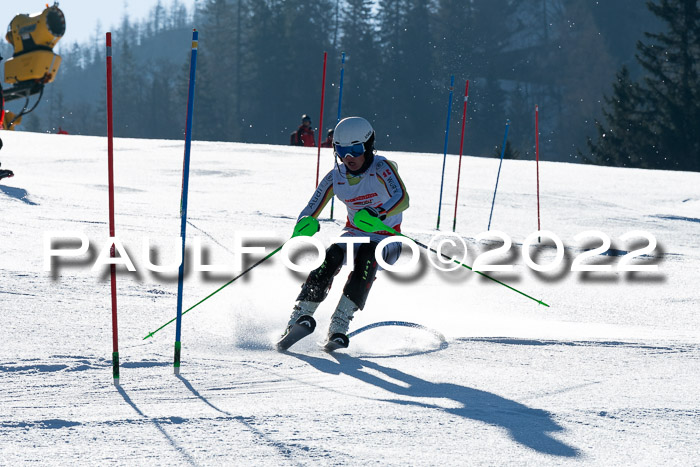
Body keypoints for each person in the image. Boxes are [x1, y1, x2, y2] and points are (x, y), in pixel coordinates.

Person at [278, 116, 410, 350]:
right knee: (332, 255)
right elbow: (311, 208)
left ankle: (339, 325)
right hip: (354, 233)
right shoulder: (335, 177)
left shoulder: (381, 167)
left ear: (368, 146)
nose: (349, 157)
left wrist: (378, 212)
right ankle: (298, 318)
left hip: (387, 237)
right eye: (342, 150)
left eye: (356, 149)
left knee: (369, 255)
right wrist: (303, 225)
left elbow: (402, 198)